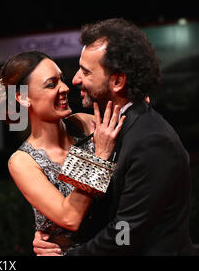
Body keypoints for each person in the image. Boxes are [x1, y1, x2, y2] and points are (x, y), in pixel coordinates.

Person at [33, 18, 194, 255]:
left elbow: (124, 235)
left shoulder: (152, 141)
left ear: (117, 81)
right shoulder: (106, 129)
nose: (74, 80)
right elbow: (78, 211)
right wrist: (54, 236)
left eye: (86, 71)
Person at [0, 51, 125, 254]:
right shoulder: (22, 161)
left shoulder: (87, 123)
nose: (64, 88)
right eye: (51, 84)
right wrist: (98, 157)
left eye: (61, 80)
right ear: (23, 98)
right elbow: (70, 217)